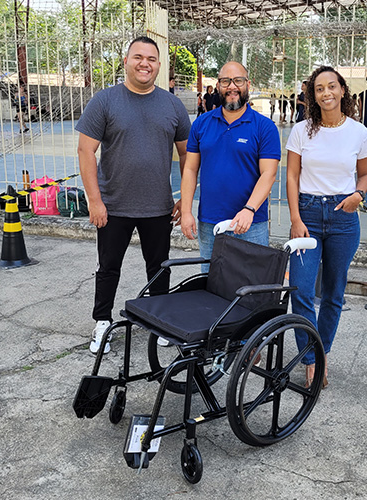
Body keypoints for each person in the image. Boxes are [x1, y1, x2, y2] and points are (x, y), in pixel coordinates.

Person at [76, 36, 191, 354]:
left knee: (159, 267)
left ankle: (161, 321)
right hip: (113, 206)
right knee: (108, 267)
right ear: (126, 61)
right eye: (138, 57)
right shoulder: (105, 101)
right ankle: (102, 322)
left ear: (159, 65)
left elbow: (188, 154)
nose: (145, 63)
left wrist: (185, 198)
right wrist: (95, 201)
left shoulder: (172, 105)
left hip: (158, 206)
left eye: (151, 59)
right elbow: (86, 151)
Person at [286, 65, 367, 388]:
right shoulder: (301, 131)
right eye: (319, 88)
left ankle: (322, 353)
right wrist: (295, 218)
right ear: (313, 95)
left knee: (334, 294)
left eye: (332, 86)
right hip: (307, 213)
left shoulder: (359, 133)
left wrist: (358, 195)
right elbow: (291, 176)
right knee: (301, 290)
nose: (326, 93)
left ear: (342, 90)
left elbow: (365, 174)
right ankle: (310, 358)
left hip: (343, 217)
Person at [180, 61, 280, 269]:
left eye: (238, 81)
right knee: (210, 282)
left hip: (251, 223)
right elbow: (190, 169)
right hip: (210, 223)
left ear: (248, 84)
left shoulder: (265, 127)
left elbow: (268, 174)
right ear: (218, 86)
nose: (232, 87)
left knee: (252, 283)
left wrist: (249, 209)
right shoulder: (201, 124)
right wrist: (187, 211)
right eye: (226, 81)